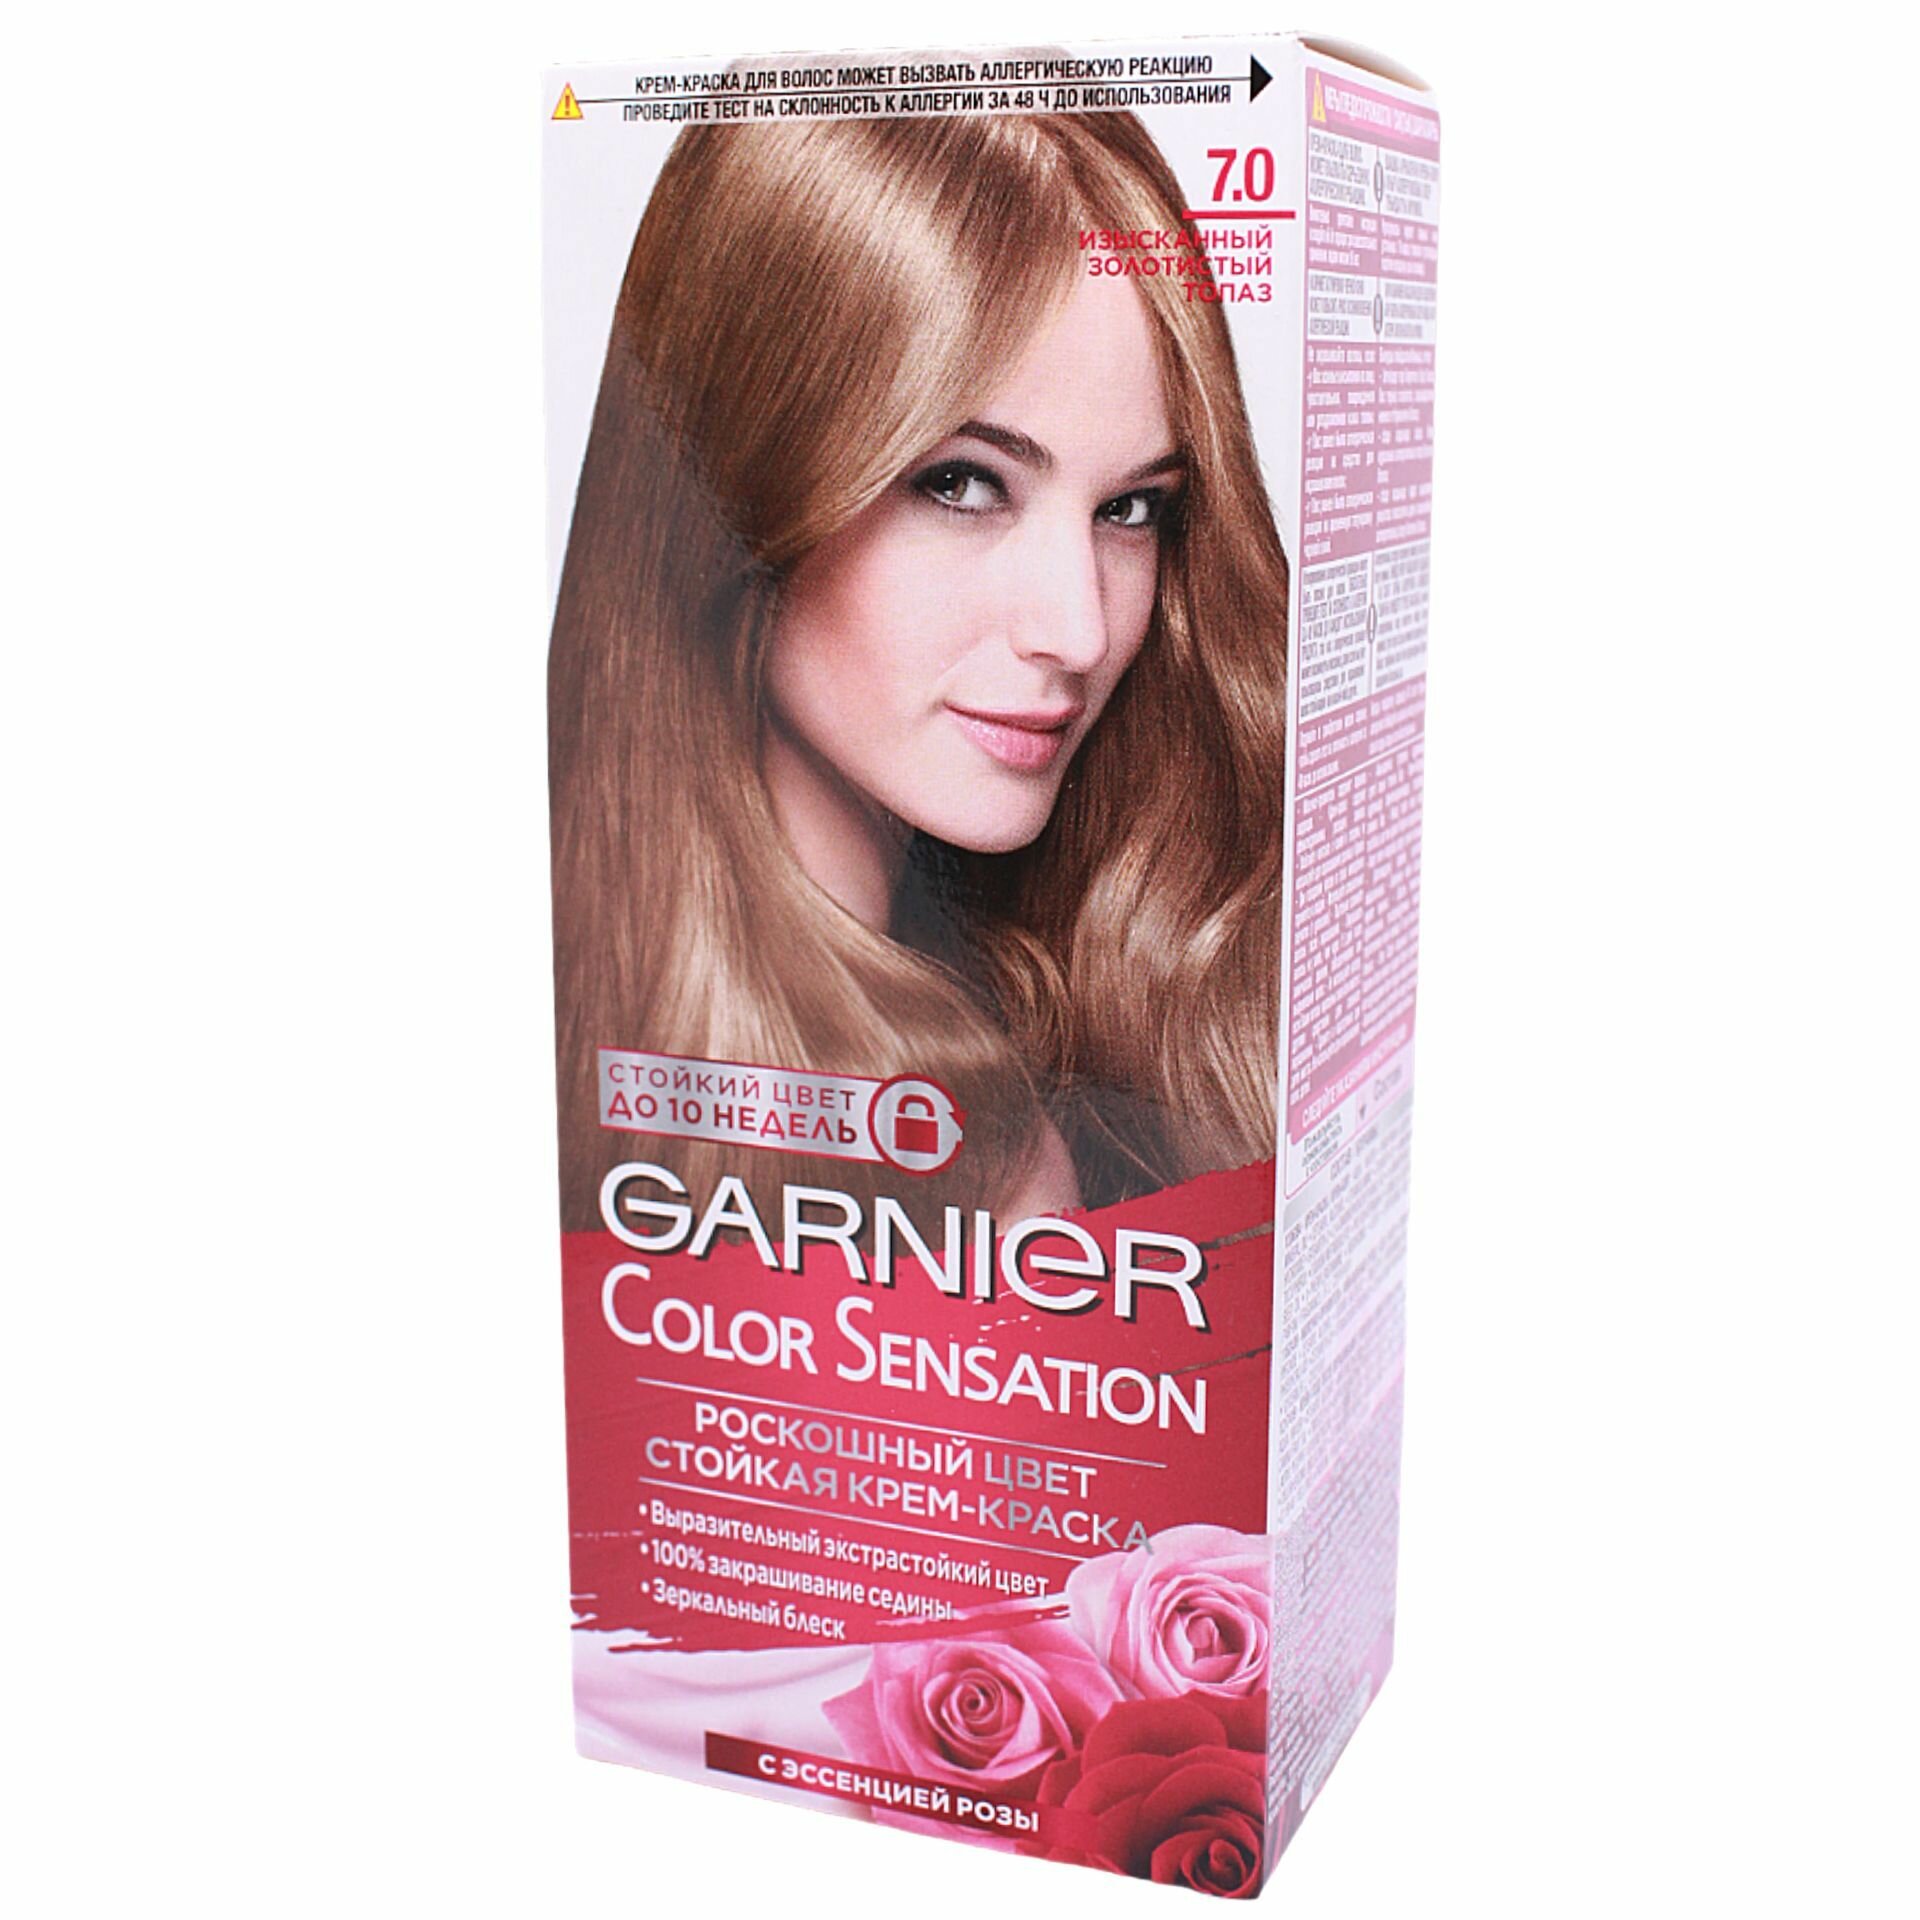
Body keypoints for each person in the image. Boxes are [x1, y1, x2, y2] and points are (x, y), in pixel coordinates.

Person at [548, 111, 1288, 1230]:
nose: (1080, 631)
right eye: (962, 483)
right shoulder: (978, 1174)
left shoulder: (596, 991)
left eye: (1132, 509)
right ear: (736, 476)